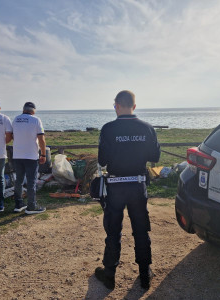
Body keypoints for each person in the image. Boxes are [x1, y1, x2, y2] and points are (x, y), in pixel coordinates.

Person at [95, 90, 161, 290]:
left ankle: (109, 275)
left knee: (113, 230)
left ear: (116, 105)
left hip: (115, 186)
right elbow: (155, 157)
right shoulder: (148, 128)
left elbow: (102, 160)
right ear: (134, 105)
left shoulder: (108, 129)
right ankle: (144, 275)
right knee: (141, 229)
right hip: (138, 185)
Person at [11, 102, 47, 215]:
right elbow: (41, 139)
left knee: (19, 181)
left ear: (23, 109)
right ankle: (31, 206)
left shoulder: (16, 119)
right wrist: (43, 154)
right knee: (31, 182)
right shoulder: (36, 120)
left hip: (17, 155)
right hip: (31, 156)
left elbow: (12, 135)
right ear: (33, 110)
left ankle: (18, 204)